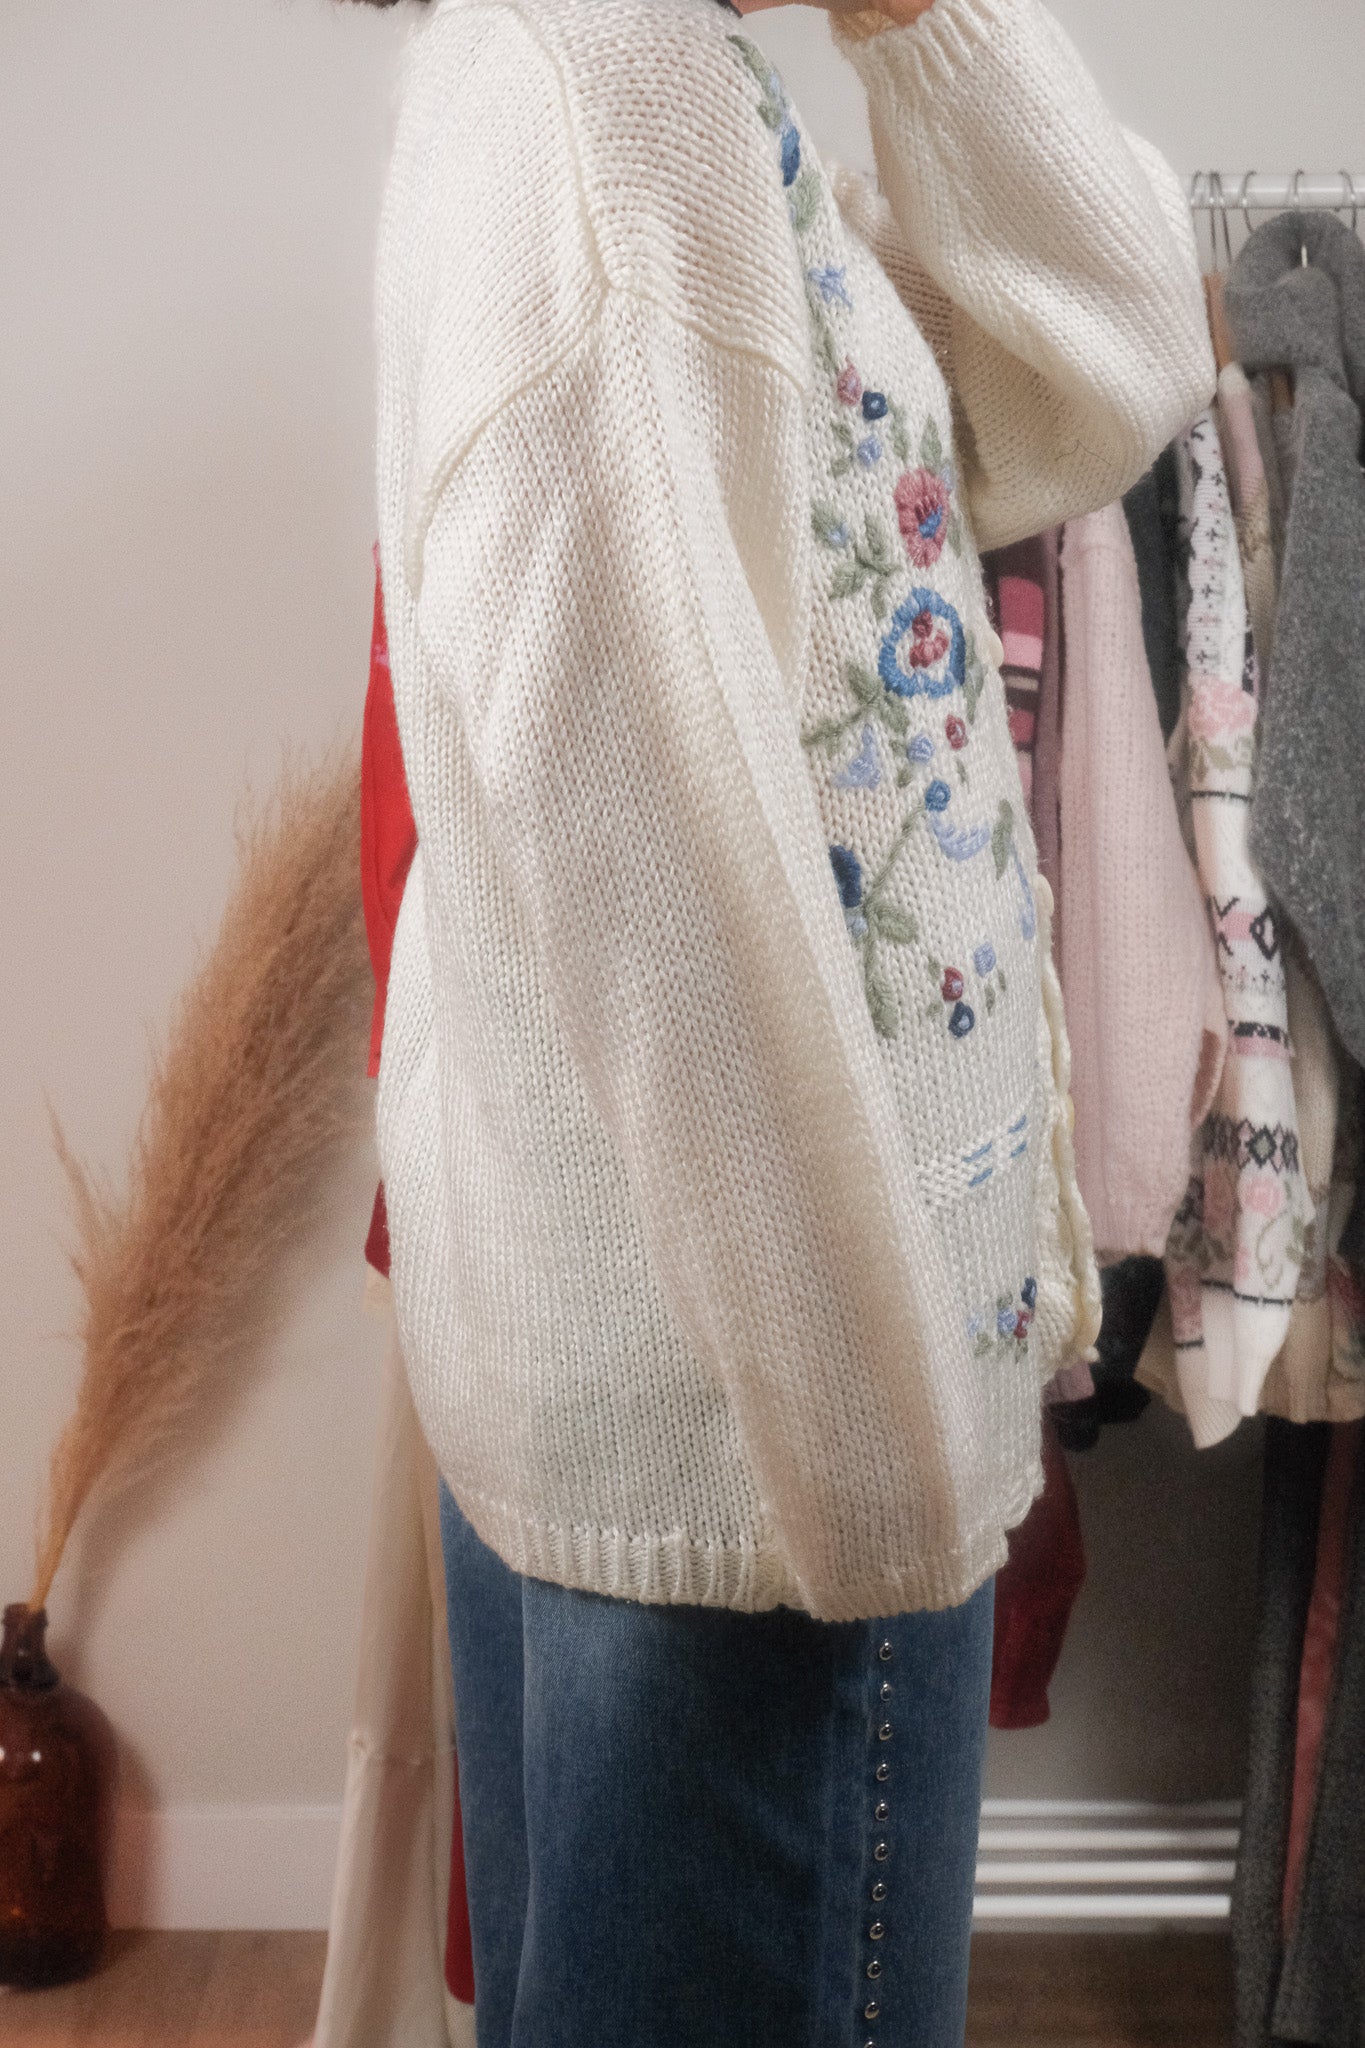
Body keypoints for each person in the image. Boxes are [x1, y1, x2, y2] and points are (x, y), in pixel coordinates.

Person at [357, 0, 1215, 2037]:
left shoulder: (634, 81)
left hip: (730, 1420)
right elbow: (670, 897)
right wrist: (891, 1503)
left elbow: (1106, 366)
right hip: (774, 1473)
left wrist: (926, 26)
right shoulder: (610, 102)